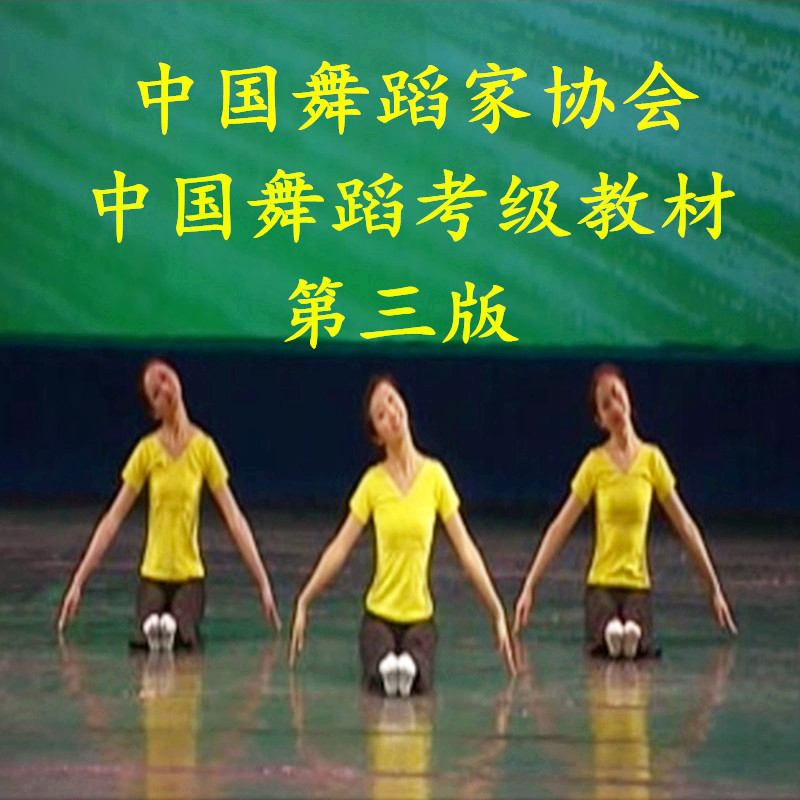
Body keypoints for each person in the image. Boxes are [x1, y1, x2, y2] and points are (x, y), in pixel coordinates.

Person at [289, 375, 515, 695]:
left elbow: (466, 550)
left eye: (392, 401)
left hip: (419, 617)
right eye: (381, 414)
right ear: (377, 436)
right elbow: (339, 547)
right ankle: (388, 669)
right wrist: (305, 599)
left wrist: (496, 611)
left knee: (418, 662)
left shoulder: (435, 476)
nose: (392, 414)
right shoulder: (372, 483)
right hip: (379, 615)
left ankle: (407, 669)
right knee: (377, 659)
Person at [513, 363, 736, 658]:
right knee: (609, 629)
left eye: (617, 395)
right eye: (606, 405)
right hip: (601, 584)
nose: (615, 407)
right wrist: (530, 585)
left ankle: (627, 637)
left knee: (633, 631)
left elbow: (685, 525)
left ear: (629, 396)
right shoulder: (594, 463)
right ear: (600, 420)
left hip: (637, 585)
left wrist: (714, 588)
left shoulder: (652, 460)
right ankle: (612, 634)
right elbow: (560, 526)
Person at [57, 358, 280, 648]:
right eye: (155, 391)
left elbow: (234, 519)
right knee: (145, 635)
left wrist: (262, 582)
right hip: (153, 575)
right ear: (154, 410)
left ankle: (175, 631)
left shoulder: (204, 448)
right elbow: (113, 519)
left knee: (184, 634)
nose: (165, 388)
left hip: (190, 576)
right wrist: (78, 582)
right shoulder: (146, 451)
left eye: (164, 377)